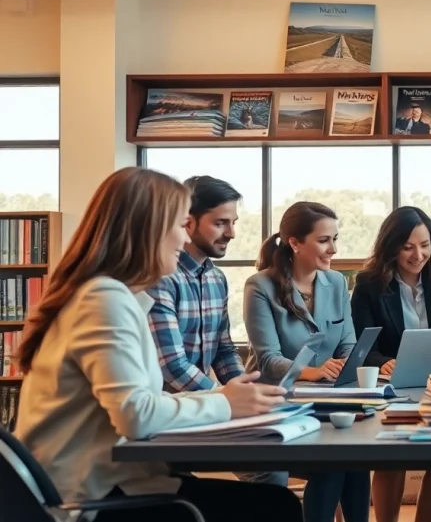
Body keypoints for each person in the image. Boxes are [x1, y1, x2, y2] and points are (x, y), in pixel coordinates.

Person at [13, 167, 301, 522]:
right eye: (181, 225)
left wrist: (223, 398)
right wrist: (225, 403)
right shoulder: (103, 300)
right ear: (149, 231)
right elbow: (137, 416)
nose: (184, 240)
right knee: (275, 507)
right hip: (87, 499)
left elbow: (142, 404)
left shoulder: (113, 296)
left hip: (112, 484)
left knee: (273, 503)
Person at [243, 201, 371, 522]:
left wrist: (345, 364)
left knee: (353, 460)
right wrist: (312, 372)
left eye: (335, 239)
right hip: (272, 408)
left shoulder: (337, 283)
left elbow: (348, 343)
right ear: (295, 243)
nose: (333, 249)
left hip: (322, 403)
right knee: (331, 461)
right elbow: (268, 360)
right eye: (324, 240)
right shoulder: (260, 286)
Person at [350, 206, 431, 522]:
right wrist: (383, 363)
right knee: (391, 458)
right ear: (391, 245)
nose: (418, 254)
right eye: (408, 246)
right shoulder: (370, 283)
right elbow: (361, 345)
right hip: (393, 386)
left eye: (425, 245)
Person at [147, 175, 245, 392]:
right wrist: (225, 397)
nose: (231, 234)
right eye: (220, 223)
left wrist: (245, 388)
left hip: (204, 407)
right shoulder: (161, 278)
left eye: (233, 223)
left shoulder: (217, 278)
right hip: (167, 410)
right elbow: (172, 366)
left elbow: (224, 350)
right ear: (188, 224)